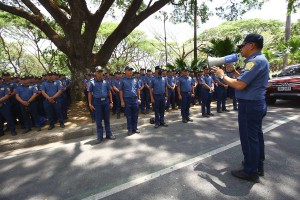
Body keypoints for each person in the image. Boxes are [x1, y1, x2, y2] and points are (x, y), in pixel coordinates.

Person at [211, 33, 269, 183]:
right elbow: (244, 79)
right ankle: (257, 165)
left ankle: (250, 171)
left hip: (250, 105)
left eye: (243, 45)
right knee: (256, 136)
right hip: (255, 104)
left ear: (252, 45)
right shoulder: (257, 61)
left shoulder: (254, 62)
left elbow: (239, 84)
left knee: (249, 138)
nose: (241, 49)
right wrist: (233, 72)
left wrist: (222, 75)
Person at [88, 66, 116, 144]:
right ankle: (99, 137)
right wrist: (90, 104)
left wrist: (111, 102)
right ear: (95, 73)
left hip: (106, 102)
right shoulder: (92, 82)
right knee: (98, 120)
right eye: (98, 72)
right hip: (97, 103)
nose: (100, 73)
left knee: (107, 119)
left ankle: (108, 134)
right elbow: (89, 93)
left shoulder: (106, 81)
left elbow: (109, 92)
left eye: (101, 72)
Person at [120, 66, 141, 136]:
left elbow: (138, 89)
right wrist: (122, 101)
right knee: (129, 115)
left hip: (134, 99)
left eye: (131, 70)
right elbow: (121, 91)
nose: (130, 72)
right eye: (129, 70)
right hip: (127, 100)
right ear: (125, 71)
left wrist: (139, 98)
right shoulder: (123, 80)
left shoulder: (135, 79)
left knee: (135, 115)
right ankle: (130, 129)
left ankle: (135, 128)